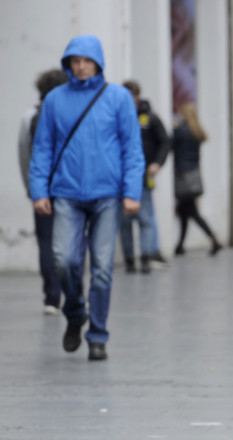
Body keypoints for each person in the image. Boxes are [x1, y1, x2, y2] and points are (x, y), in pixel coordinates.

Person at [29, 35, 145, 361]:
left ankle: (97, 334)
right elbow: (42, 149)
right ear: (68, 64)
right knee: (64, 260)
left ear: (98, 62)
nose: (81, 67)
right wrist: (39, 191)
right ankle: (75, 313)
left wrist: (131, 192)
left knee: (103, 269)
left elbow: (132, 149)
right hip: (66, 194)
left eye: (86, 60)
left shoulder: (119, 98)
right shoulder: (55, 100)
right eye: (75, 61)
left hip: (107, 196)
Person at [18, 68, 68, 316]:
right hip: (70, 188)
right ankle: (73, 292)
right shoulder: (70, 112)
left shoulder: (31, 116)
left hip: (43, 188)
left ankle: (51, 296)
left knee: (47, 242)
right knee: (72, 240)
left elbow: (24, 154)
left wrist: (32, 188)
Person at [120, 80, 172, 273]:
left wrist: (157, 163)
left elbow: (165, 142)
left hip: (143, 177)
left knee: (145, 217)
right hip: (120, 179)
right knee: (124, 222)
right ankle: (129, 260)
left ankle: (146, 256)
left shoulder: (150, 118)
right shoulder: (117, 117)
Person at [172, 102, 222, 256]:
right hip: (194, 176)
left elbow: (171, 144)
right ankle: (180, 245)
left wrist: (175, 128)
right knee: (184, 211)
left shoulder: (182, 131)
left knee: (191, 212)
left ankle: (213, 239)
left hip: (183, 176)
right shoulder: (195, 132)